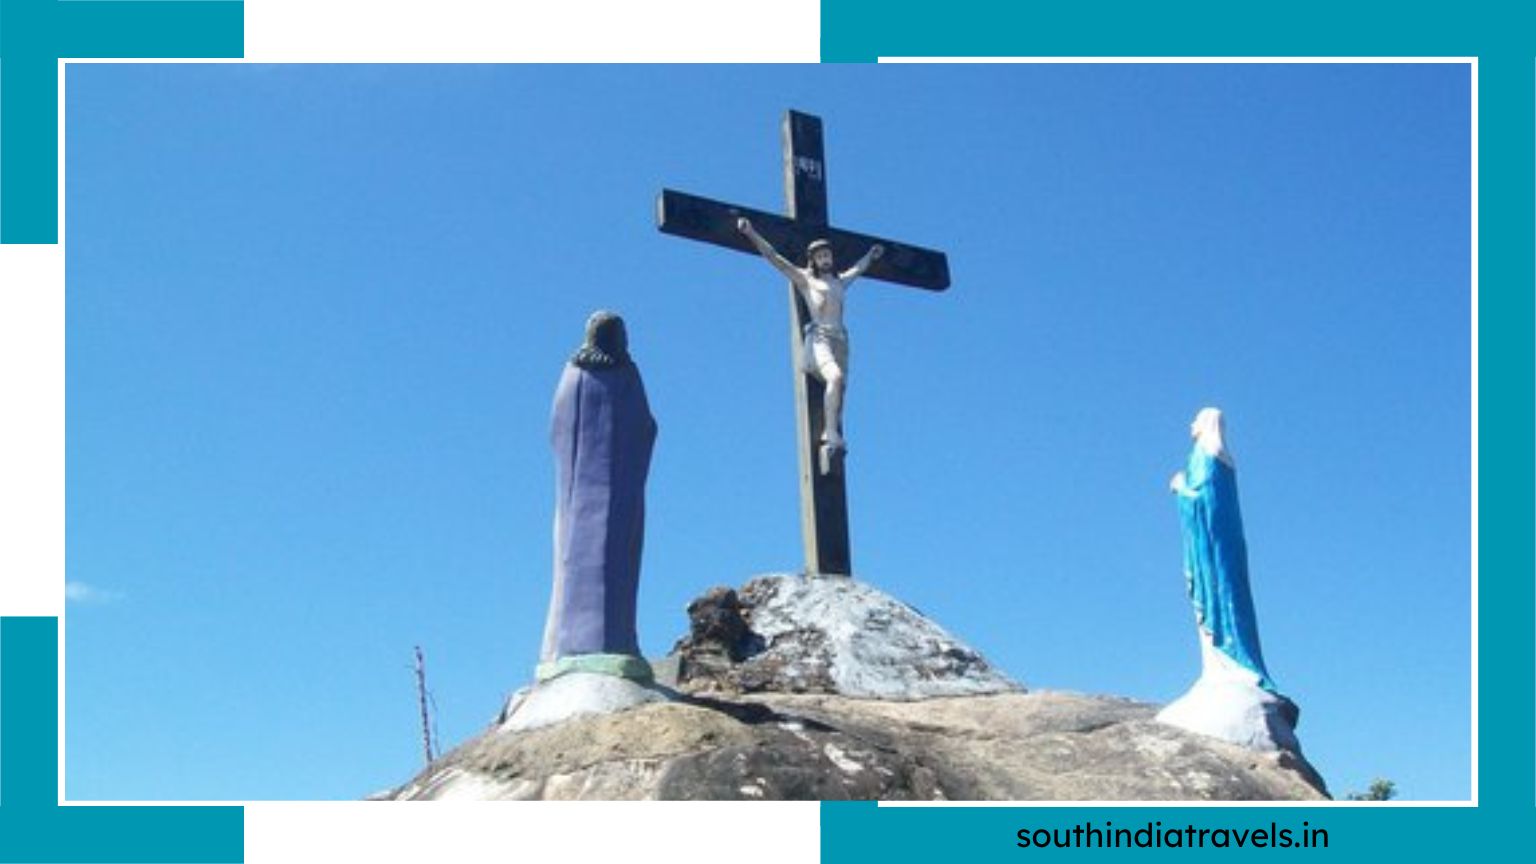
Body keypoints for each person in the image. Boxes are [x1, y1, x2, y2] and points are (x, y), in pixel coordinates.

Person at [737, 217, 882, 454]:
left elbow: (858, 269)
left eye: (827, 255)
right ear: (813, 259)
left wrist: (871, 256)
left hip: (840, 340)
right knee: (835, 377)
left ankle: (833, 433)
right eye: (820, 256)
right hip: (820, 339)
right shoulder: (806, 280)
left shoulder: (839, 282)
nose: (825, 259)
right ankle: (830, 433)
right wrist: (750, 233)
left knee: (841, 388)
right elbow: (775, 258)